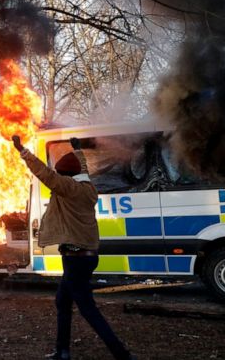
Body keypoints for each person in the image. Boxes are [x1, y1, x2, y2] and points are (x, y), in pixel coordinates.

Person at [12, 135, 134, 360]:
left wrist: (23, 151)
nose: (58, 177)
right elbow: (84, 168)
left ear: (66, 177)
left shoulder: (68, 188)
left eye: (61, 174)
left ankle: (122, 355)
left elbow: (44, 173)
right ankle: (63, 351)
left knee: (88, 309)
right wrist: (78, 151)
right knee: (63, 301)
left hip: (75, 258)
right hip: (86, 256)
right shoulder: (87, 187)